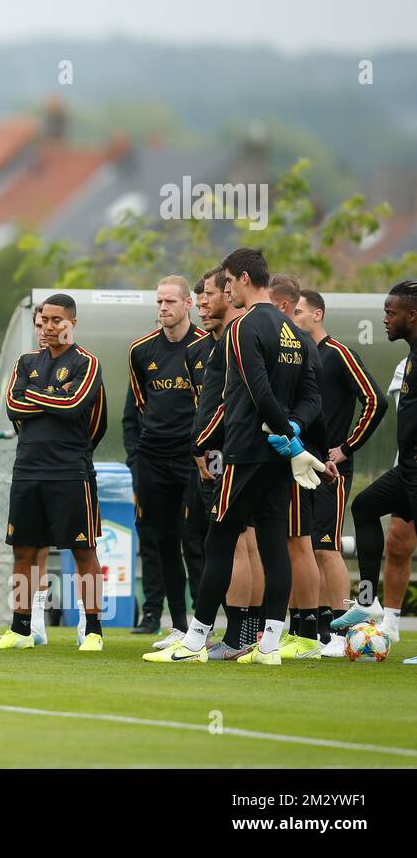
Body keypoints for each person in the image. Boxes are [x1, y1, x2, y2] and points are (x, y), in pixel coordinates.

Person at [145, 247, 324, 665]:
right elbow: (311, 396)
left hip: (245, 452)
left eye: (228, 282)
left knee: (219, 540)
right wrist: (294, 432)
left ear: (244, 278)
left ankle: (194, 643)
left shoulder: (243, 328)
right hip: (280, 457)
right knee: (274, 545)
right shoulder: (292, 329)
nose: (225, 290)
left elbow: (256, 390)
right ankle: (270, 646)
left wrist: (284, 433)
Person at [0, 293, 106, 652]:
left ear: (72, 323)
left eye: (58, 321)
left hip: (70, 471)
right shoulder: (26, 362)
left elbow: (75, 407)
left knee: (82, 551)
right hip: (28, 470)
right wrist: (53, 394)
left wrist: (36, 396)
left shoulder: (87, 362)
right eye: (44, 321)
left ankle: (92, 630)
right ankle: (21, 629)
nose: (50, 327)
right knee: (24, 551)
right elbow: (12, 404)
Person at [293, 288, 386, 656]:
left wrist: (347, 448)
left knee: (327, 547)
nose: (294, 317)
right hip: (302, 466)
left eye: (299, 311)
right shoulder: (298, 357)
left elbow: (375, 400)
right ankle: (316, 631)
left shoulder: (341, 354)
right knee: (306, 546)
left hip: (332, 469)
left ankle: (344, 631)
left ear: (317, 315)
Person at [123, 276, 208, 643]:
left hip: (193, 457)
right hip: (153, 458)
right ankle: (178, 625)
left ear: (188, 304)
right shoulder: (141, 351)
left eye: (170, 302)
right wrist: (137, 458)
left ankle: (203, 626)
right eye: (159, 302)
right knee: (163, 540)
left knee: (196, 540)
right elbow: (139, 405)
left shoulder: (208, 346)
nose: (163, 308)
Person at [189, 267, 263, 659]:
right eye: (198, 296)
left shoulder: (241, 338)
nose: (202, 302)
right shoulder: (199, 350)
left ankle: (237, 634)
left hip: (231, 453)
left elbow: (233, 404)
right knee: (233, 540)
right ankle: (243, 633)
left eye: (209, 294)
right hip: (213, 454)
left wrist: (203, 445)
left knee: (237, 541)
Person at [339, 281, 417, 648]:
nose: (384, 319)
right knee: (365, 506)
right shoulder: (409, 359)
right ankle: (368, 601)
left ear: (411, 316)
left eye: (391, 313)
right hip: (407, 470)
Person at [268, 274, 331, 658]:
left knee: (298, 543)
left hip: (296, 455)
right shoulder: (292, 344)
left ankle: (308, 635)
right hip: (290, 450)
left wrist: (297, 436)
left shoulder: (302, 345)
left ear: (282, 307)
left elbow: (313, 403)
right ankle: (296, 628)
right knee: (286, 542)